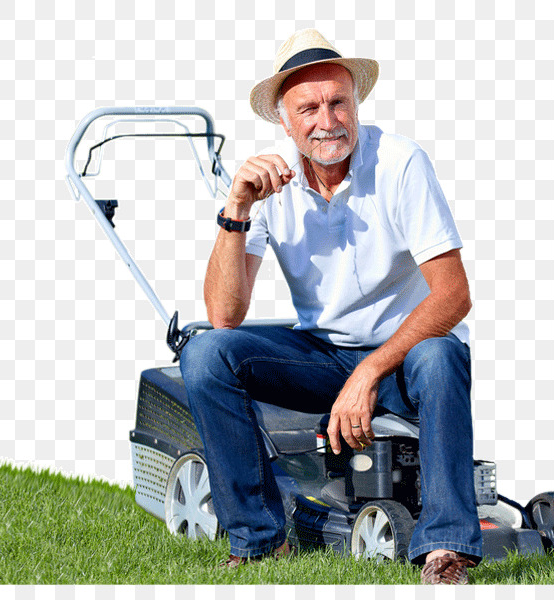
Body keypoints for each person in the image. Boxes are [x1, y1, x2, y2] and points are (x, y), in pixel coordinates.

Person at [179, 29, 481, 585]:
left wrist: (369, 372)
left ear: (356, 104)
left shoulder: (400, 164)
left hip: (404, 358)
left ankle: (444, 548)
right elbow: (226, 315)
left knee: (441, 357)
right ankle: (260, 541)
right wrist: (237, 206)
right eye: (309, 107)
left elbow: (453, 294)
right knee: (205, 355)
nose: (327, 119)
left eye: (338, 101)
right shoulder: (271, 188)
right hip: (319, 354)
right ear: (284, 121)